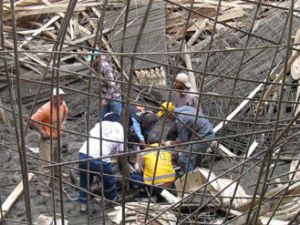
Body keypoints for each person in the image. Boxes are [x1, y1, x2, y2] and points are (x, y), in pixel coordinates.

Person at [78, 113, 124, 213]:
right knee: (109, 181)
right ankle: (112, 200)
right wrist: (122, 169)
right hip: (99, 159)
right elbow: (121, 155)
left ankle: (83, 205)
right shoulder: (120, 128)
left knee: (85, 181)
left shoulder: (99, 124)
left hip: (83, 154)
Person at [29, 88, 69, 196]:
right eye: (59, 98)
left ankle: (56, 173)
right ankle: (42, 188)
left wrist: (63, 124)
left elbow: (65, 113)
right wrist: (42, 131)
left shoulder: (63, 105)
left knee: (57, 158)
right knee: (46, 164)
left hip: (57, 137)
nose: (61, 100)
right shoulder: (45, 109)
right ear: (53, 98)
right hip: (47, 140)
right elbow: (32, 121)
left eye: (62, 97)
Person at [157, 101, 215, 172]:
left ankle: (190, 180)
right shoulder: (183, 109)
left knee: (183, 159)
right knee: (190, 156)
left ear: (169, 113)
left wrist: (170, 144)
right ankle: (193, 172)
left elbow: (184, 142)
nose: (166, 118)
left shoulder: (181, 120)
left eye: (165, 116)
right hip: (204, 131)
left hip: (204, 137)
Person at [129, 135, 176, 200]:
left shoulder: (144, 152)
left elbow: (138, 168)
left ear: (148, 143)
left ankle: (148, 193)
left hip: (155, 186)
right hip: (170, 183)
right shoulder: (166, 150)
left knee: (132, 177)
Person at [87, 50, 122, 118]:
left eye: (92, 60)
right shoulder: (96, 66)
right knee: (103, 117)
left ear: (98, 58)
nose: (91, 62)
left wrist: (106, 99)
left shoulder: (105, 66)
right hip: (104, 95)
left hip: (113, 96)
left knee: (117, 117)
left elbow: (112, 84)